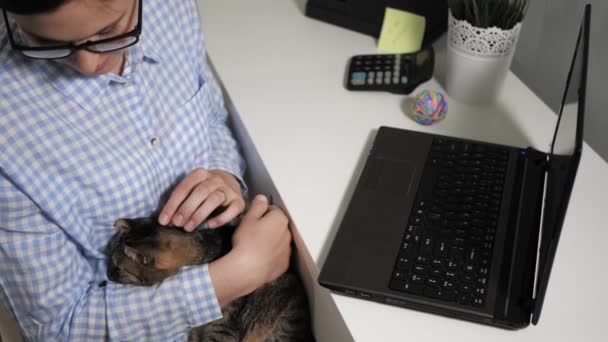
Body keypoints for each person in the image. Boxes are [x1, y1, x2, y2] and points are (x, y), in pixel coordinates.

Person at [0, 0, 293, 340]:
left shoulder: (170, 8)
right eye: (48, 44)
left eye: (109, 32)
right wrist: (236, 275)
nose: (89, 64)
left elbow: (212, 118)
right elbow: (59, 328)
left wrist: (224, 174)